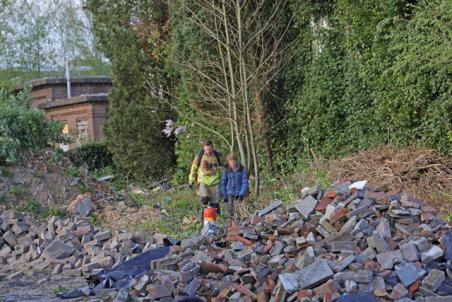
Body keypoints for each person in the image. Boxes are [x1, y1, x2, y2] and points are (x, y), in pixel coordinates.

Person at [189, 140, 223, 214]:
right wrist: (191, 180)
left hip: (215, 181)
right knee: (205, 200)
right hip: (203, 181)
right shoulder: (199, 155)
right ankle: (204, 219)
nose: (209, 151)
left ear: (212, 148)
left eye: (210, 149)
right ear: (204, 148)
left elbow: (224, 167)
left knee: (215, 205)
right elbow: (194, 167)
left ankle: (217, 221)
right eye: (207, 149)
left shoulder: (217, 155)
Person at [221, 153, 249, 217]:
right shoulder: (226, 170)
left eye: (233, 163)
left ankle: (239, 223)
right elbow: (223, 183)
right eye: (230, 163)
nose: (232, 165)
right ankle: (230, 222)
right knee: (230, 209)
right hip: (230, 192)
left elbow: (245, 182)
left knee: (239, 210)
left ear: (236, 161)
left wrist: (242, 193)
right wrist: (224, 195)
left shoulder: (242, 169)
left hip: (239, 193)